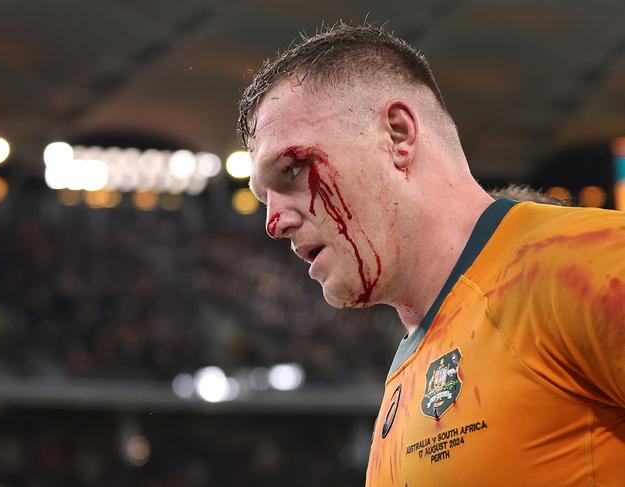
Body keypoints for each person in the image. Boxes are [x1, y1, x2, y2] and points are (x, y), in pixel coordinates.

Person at [238, 22, 625, 486]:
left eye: (293, 168)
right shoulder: (408, 372)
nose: (274, 223)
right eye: (264, 200)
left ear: (398, 136)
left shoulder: (584, 263)